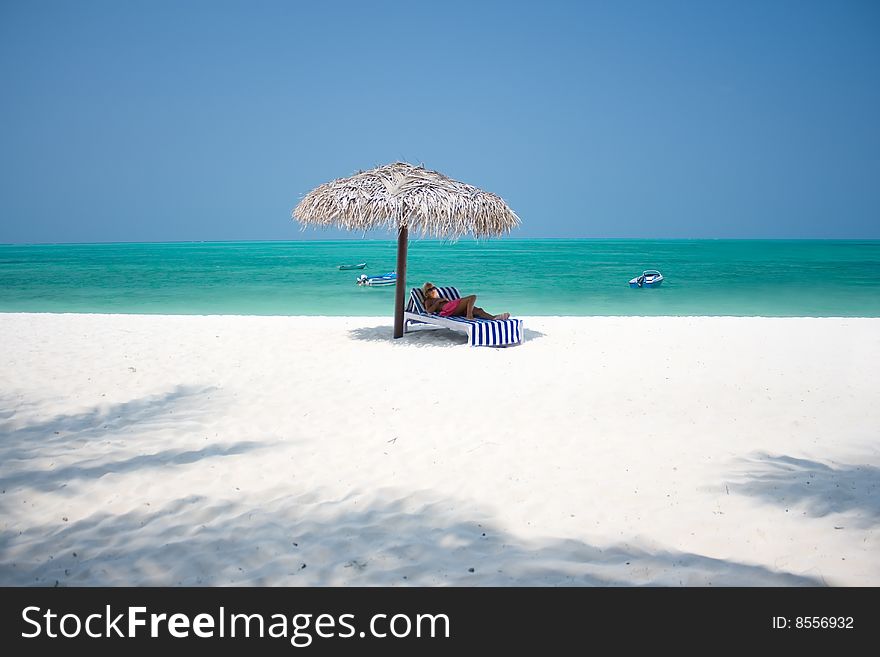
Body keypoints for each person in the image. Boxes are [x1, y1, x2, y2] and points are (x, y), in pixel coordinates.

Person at [422, 282, 510, 320]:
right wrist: (438, 302)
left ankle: (494, 318)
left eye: (433, 288)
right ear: (426, 292)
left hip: (452, 307)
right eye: (430, 289)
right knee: (472, 297)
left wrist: (443, 300)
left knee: (478, 310)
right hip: (449, 309)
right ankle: (469, 315)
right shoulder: (428, 301)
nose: (433, 290)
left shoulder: (438, 297)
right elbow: (428, 311)